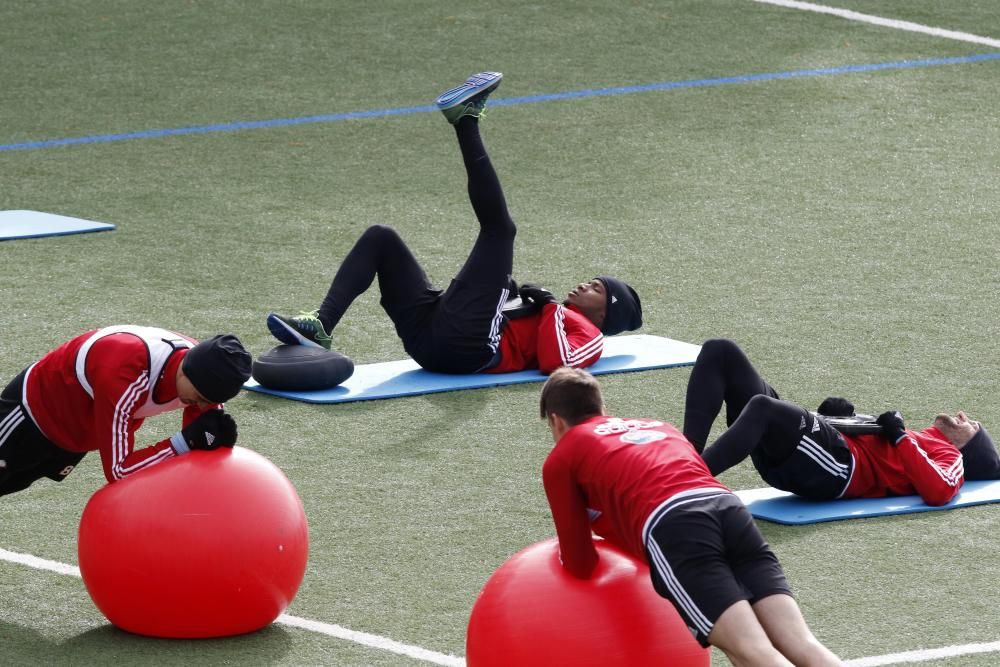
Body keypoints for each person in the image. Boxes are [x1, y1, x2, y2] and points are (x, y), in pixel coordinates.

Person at [266, 72, 642, 375]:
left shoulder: (589, 333)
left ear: (605, 310)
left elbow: (556, 364)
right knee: (382, 239)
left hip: (467, 350)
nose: (584, 283)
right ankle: (320, 324)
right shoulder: (552, 312)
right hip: (431, 335)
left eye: (595, 287)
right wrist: (514, 293)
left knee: (501, 230)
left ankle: (466, 120)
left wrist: (548, 307)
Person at [540, 367, 842, 665]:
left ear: (556, 421)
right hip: (730, 509)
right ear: (602, 407)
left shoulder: (564, 455)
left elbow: (580, 561)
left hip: (676, 525)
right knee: (799, 643)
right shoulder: (659, 426)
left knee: (752, 649)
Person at [683, 339, 999, 504]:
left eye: (971, 424)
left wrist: (899, 437)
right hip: (825, 453)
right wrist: (837, 417)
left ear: (968, 446)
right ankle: (685, 455)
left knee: (764, 408)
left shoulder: (951, 457)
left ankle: (682, 481)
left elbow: (940, 490)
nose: (961, 416)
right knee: (721, 352)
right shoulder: (919, 439)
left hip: (839, 470)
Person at [0, 325, 252, 496]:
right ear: (186, 370)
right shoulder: (125, 373)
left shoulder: (204, 380)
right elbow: (119, 471)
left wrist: (211, 447)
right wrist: (182, 443)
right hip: (32, 412)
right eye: (198, 398)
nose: (200, 407)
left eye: (209, 402)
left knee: (14, 483)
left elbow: (198, 446)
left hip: (76, 439)